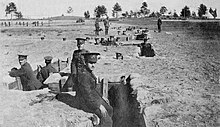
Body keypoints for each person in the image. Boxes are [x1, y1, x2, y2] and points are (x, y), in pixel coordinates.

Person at [76, 52, 113, 127]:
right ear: (85, 63)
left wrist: (102, 97)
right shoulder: (84, 76)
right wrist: (98, 106)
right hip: (85, 102)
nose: (93, 65)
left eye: (94, 63)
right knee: (106, 117)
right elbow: (87, 95)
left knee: (109, 109)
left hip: (92, 98)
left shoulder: (89, 72)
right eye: (90, 63)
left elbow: (93, 89)